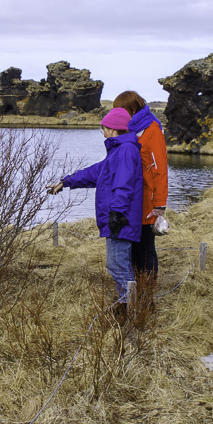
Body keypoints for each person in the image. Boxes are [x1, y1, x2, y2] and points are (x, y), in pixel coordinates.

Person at [48, 108, 144, 318]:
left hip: (121, 219)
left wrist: (117, 212)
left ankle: (129, 309)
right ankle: (126, 305)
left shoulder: (126, 150)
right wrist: (66, 181)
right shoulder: (119, 151)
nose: (103, 133)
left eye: (104, 128)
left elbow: (124, 184)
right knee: (116, 263)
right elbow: (95, 172)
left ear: (112, 129)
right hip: (117, 218)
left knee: (118, 264)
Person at [113, 90, 169, 286]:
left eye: (121, 111)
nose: (118, 116)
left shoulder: (152, 129)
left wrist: (160, 203)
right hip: (133, 198)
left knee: (145, 246)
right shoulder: (131, 129)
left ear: (133, 109)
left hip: (147, 200)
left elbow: (160, 168)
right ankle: (135, 290)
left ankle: (146, 295)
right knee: (133, 247)